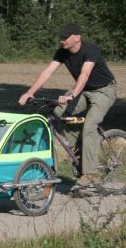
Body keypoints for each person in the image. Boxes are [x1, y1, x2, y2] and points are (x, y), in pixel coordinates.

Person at [17, 24, 117, 186]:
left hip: (104, 90)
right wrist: (30, 92)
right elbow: (48, 72)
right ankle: (81, 148)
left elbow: (84, 75)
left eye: (65, 37)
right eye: (61, 38)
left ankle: (91, 174)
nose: (62, 40)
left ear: (77, 37)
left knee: (90, 126)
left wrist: (71, 95)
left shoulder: (91, 50)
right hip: (84, 90)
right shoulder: (62, 52)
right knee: (57, 112)